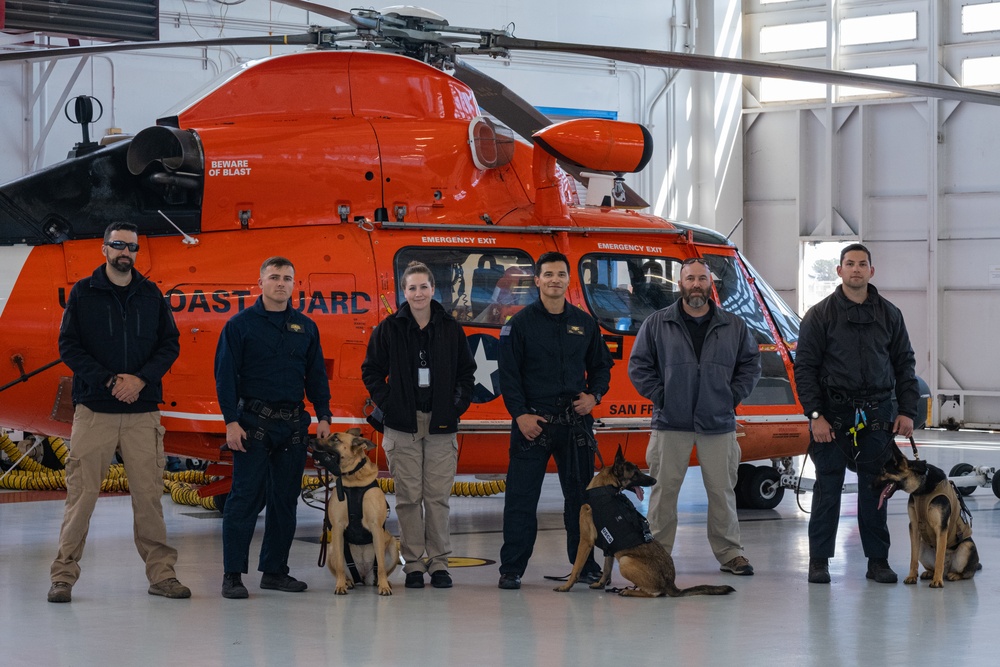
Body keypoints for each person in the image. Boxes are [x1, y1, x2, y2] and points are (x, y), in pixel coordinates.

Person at [49, 221, 188, 603]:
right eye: (118, 245)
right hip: (95, 409)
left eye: (131, 247)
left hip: (143, 412)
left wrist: (141, 380)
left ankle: (162, 575)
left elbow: (170, 344)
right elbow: (69, 347)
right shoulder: (84, 293)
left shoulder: (150, 294)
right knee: (81, 496)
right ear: (104, 249)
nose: (125, 252)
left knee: (149, 498)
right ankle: (63, 577)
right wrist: (110, 382)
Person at [628, 257, 761, 576]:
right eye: (691, 279)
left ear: (709, 284)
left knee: (722, 490)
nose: (697, 284)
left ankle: (730, 553)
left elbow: (751, 365)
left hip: (718, 422)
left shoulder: (734, 325)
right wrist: (662, 396)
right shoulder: (658, 323)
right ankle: (657, 555)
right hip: (670, 422)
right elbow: (639, 366)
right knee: (663, 492)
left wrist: (730, 396)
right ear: (680, 284)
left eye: (703, 278)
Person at [794, 243, 918, 585]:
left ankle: (877, 561)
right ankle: (818, 561)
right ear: (839, 271)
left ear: (871, 271)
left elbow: (904, 364)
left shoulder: (890, 314)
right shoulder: (819, 315)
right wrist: (815, 415)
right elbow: (804, 368)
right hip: (832, 416)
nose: (856, 270)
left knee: (875, 488)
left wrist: (908, 410)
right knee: (828, 486)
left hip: (877, 413)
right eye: (849, 264)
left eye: (862, 264)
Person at [214, 256, 332, 599]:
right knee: (244, 499)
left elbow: (316, 376)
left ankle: (275, 571)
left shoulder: (306, 327)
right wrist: (231, 423)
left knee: (285, 501)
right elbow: (225, 377)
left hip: (293, 426)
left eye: (287, 278)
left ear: (294, 284)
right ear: (261, 282)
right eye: (275, 277)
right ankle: (232, 575)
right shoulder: (240, 326)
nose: (281, 283)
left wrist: (323, 415)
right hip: (252, 425)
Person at [497, 252, 613, 590]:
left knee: (581, 501)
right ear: (536, 281)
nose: (554, 280)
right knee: (521, 499)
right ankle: (512, 568)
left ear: (568, 280)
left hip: (574, 426)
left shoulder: (585, 323)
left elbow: (602, 367)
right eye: (547, 274)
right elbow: (509, 376)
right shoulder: (518, 325)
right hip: (533, 426)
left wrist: (595, 397)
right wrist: (520, 415)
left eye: (561, 274)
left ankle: (585, 566)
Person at [361, 261, 476, 589]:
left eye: (423, 286)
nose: (418, 293)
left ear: (433, 290)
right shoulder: (389, 329)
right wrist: (390, 402)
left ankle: (439, 563)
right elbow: (371, 370)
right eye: (411, 288)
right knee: (409, 497)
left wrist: (455, 406)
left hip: (440, 424)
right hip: (402, 427)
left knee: (437, 498)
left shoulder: (450, 328)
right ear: (404, 292)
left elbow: (467, 373)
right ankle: (412, 564)